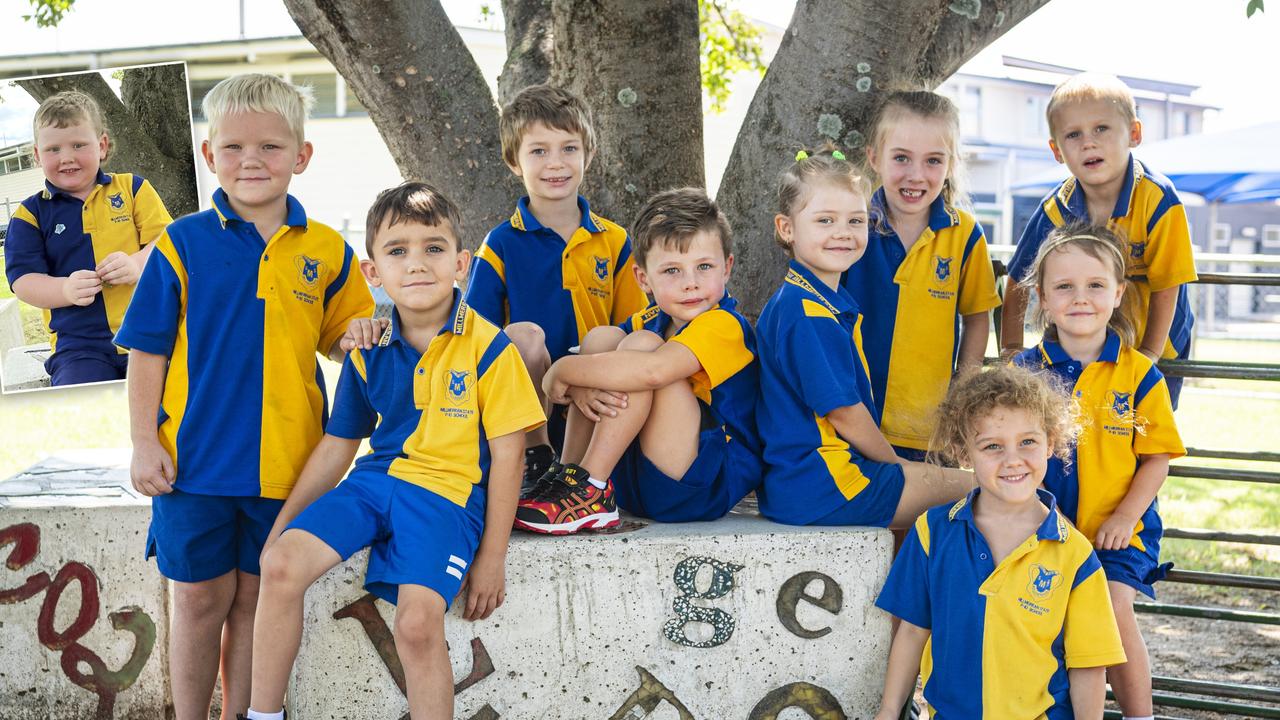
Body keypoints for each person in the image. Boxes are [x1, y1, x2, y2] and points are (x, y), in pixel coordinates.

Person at [114, 73, 374, 720]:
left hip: (287, 466)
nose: (250, 161)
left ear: (302, 156)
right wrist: (144, 443)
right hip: (192, 466)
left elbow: (344, 340)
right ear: (209, 157)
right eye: (232, 148)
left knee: (257, 599)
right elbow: (146, 350)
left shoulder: (327, 251)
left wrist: (363, 334)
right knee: (200, 600)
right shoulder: (180, 243)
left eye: (271, 147)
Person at [243, 182, 544, 720]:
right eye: (398, 251)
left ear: (461, 263)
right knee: (281, 565)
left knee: (416, 622)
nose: (418, 264)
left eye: (433, 248)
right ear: (373, 271)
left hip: (447, 495)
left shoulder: (491, 349)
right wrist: (283, 528)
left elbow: (509, 459)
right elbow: (339, 446)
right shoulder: (369, 348)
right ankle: (265, 715)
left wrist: (493, 558)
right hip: (375, 483)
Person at [874, 364, 1127, 720]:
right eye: (992, 446)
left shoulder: (1074, 554)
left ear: (1050, 443)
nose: (1013, 460)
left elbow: (1088, 666)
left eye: (1028, 441)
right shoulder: (932, 532)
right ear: (964, 454)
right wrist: (888, 711)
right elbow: (913, 631)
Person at [1013, 225, 1185, 720]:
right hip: (1041, 530)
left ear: (1117, 293)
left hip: (1117, 533)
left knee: (1109, 612)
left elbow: (1156, 458)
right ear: (1043, 297)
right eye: (1064, 286)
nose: (1080, 298)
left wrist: (1124, 518)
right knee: (1041, 620)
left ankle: (1139, 716)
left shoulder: (1138, 374)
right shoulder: (1026, 373)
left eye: (1094, 285)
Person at [516, 187, 762, 533]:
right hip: (638, 477)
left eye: (704, 266)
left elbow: (653, 372)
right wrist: (585, 390)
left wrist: (563, 369)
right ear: (643, 279)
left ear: (727, 268)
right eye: (672, 271)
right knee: (603, 339)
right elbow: (602, 366)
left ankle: (592, 489)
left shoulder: (724, 324)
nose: (690, 283)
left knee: (644, 350)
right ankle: (570, 478)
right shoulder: (649, 320)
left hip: (700, 484)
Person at [755, 148, 974, 528]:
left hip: (808, 484)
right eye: (825, 220)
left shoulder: (813, 300)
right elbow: (844, 412)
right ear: (786, 228)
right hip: (828, 485)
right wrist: (897, 463)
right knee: (988, 488)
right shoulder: (807, 312)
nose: (843, 233)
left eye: (856, 220)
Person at [463, 84, 648, 492]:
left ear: (589, 155)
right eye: (539, 151)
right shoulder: (500, 244)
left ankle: (582, 479)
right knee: (524, 337)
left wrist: (585, 374)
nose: (556, 163)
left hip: (596, 397)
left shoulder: (614, 241)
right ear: (515, 161)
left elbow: (634, 329)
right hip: (528, 403)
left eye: (569, 148)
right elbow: (477, 336)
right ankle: (536, 457)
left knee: (610, 340)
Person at [1002, 72, 1197, 408]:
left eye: (1101, 129)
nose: (1087, 143)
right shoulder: (1056, 207)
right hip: (1076, 345)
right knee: (1074, 434)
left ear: (1134, 134)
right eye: (1073, 134)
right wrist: (1010, 348)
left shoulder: (1158, 200)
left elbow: (1169, 285)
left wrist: (1147, 357)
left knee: (1143, 434)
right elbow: (1019, 279)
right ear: (1057, 150)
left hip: (1155, 343)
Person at [843, 90, 1000, 460]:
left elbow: (977, 319)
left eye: (933, 161)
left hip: (930, 429)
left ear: (951, 164)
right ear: (874, 158)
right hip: (853, 418)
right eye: (901, 158)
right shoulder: (850, 226)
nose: (916, 176)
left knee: (924, 517)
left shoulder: (965, 236)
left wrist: (963, 393)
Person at [4, 89, 171, 386]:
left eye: (79, 144)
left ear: (102, 146)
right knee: (80, 403)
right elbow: (24, 282)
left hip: (149, 332)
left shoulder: (133, 190)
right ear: (37, 155)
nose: (66, 157)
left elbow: (168, 244)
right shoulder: (29, 215)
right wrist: (65, 289)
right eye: (53, 149)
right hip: (78, 348)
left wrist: (137, 264)